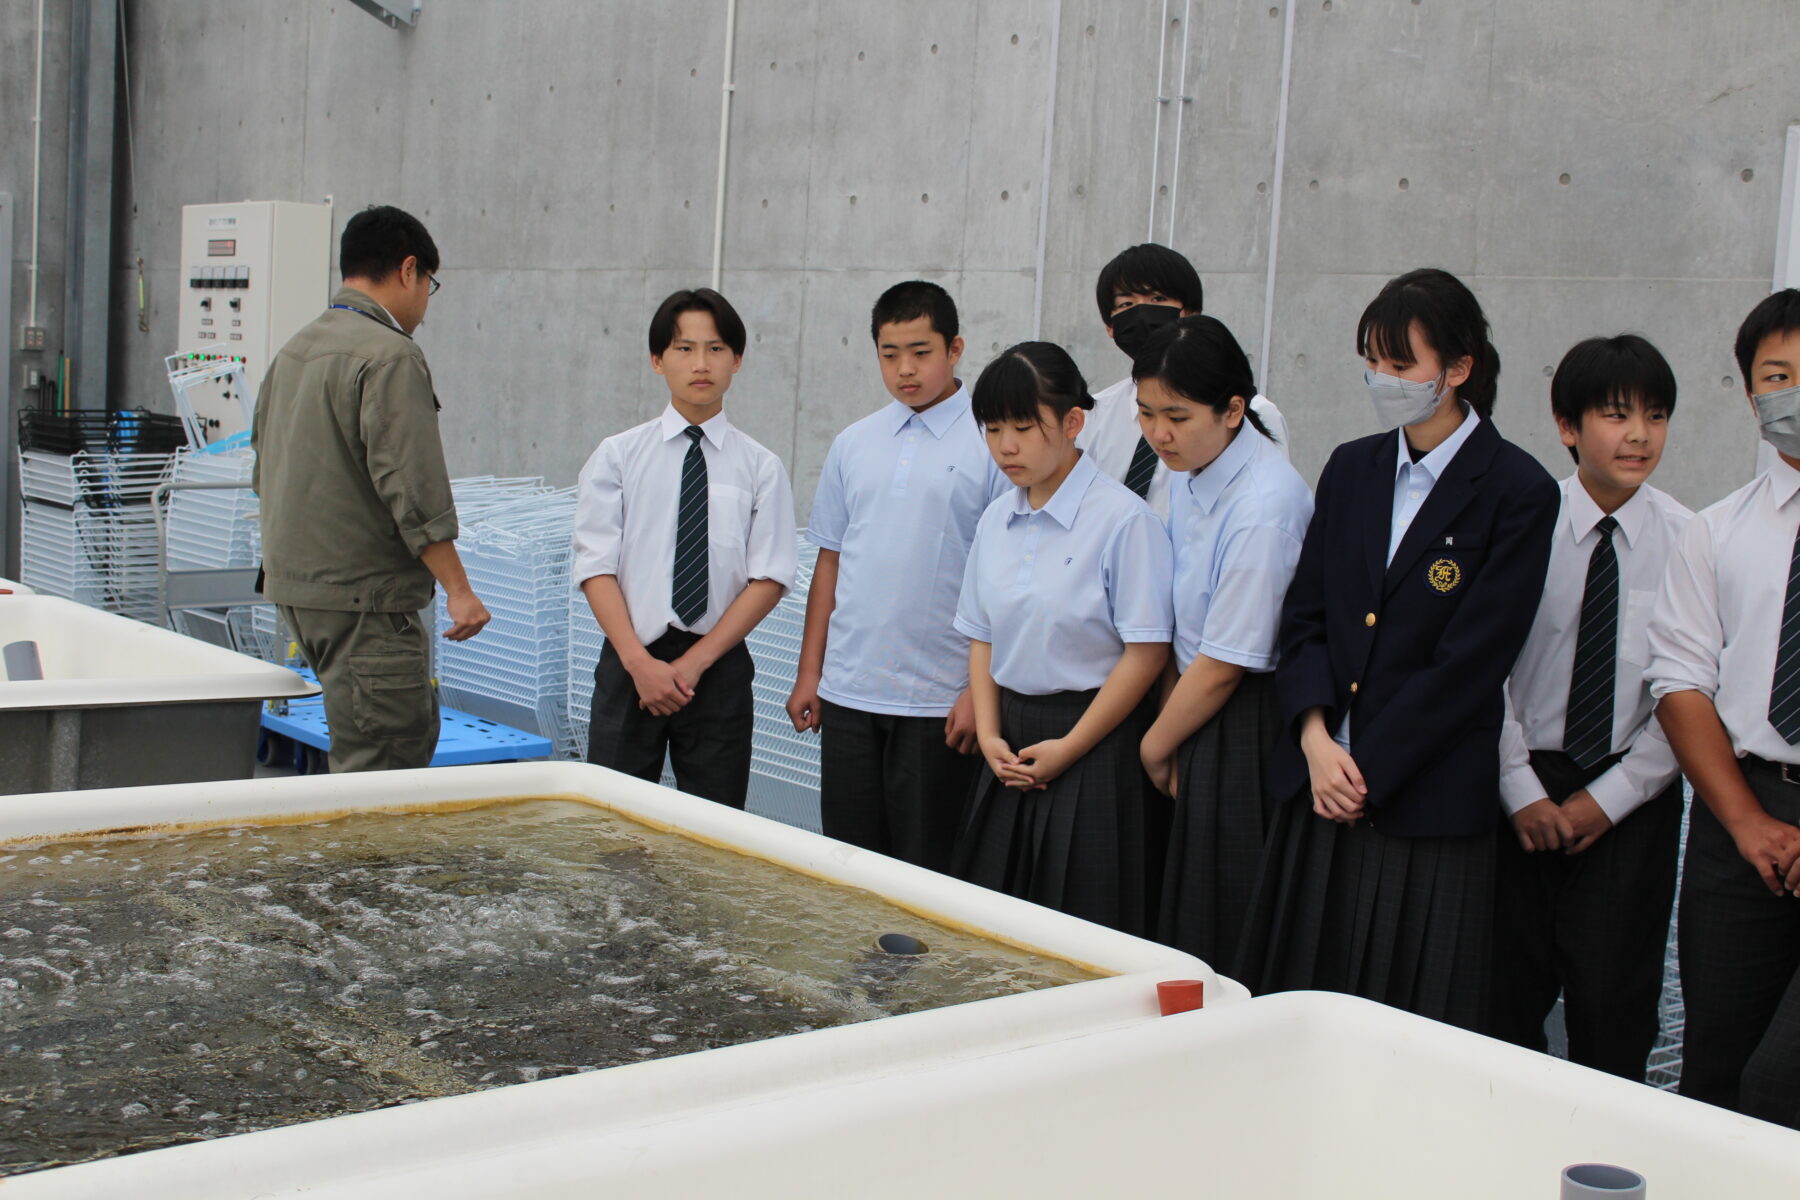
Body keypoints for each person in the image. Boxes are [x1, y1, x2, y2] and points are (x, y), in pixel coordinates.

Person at [1237, 267, 1559, 1031]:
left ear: (1457, 370)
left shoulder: (1517, 490)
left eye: (1401, 364)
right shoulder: (1354, 466)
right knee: (1297, 1002)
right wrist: (1316, 740)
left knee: (1402, 1017)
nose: (1383, 380)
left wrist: (1366, 771)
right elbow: (1305, 616)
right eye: (1372, 362)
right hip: (1320, 787)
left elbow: (1474, 662)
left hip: (1423, 805)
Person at [1489, 335, 1689, 1080]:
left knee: (1615, 1008)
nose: (1639, 434)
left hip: (1630, 795)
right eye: (1615, 415)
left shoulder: (1686, 540)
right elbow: (1487, 670)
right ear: (1567, 425)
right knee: (1503, 1001)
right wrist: (1520, 791)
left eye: (1656, 415)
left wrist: (1606, 802)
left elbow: (1686, 692)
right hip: (1518, 785)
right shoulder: (1520, 523)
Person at [253, 204, 490, 772]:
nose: (427, 305)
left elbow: (263, 469)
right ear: (409, 270)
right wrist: (458, 588)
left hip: (301, 591)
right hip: (366, 600)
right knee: (385, 764)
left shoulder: (296, 350)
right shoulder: (389, 355)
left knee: (362, 746)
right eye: (430, 284)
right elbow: (413, 488)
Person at [952, 342, 1174, 936]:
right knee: (989, 932)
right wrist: (992, 732)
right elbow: (981, 635)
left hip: (1096, 744)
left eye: (1024, 427)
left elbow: (1147, 652)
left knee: (1085, 929)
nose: (1006, 446)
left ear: (1073, 422)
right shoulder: (996, 518)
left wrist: (1071, 746)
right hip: (1008, 744)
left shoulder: (1125, 521)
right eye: (993, 428)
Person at [786, 282, 1007, 871]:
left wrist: (978, 692)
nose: (905, 370)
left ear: (955, 347)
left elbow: (1008, 576)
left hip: (940, 700)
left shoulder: (994, 442)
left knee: (930, 870)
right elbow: (829, 561)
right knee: (849, 865)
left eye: (921, 351)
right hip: (849, 691)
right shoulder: (853, 443)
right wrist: (811, 673)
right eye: (889, 354)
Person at [1647, 288, 1800, 1128]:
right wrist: (1747, 823)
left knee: (1782, 1083)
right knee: (1717, 1066)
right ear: (1750, 395)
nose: (1793, 392)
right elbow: (1679, 680)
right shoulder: (1716, 530)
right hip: (1742, 818)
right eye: (1777, 376)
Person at [572, 287, 797, 809]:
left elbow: (769, 578)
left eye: (716, 349)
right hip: (631, 663)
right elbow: (595, 565)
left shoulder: (760, 466)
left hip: (716, 669)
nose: (701, 364)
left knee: (714, 832)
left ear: (737, 360)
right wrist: (637, 662)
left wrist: (695, 663)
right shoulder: (618, 456)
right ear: (657, 360)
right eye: (683, 348)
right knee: (612, 826)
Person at [1133, 316, 1313, 969]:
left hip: (1243, 719)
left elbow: (1230, 658)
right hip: (1190, 700)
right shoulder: (1188, 468)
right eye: (1147, 413)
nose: (1159, 433)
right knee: (1184, 908)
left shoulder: (1266, 502)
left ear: (1234, 410)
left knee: (1224, 916)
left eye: (1176, 416)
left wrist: (1156, 744)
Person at [1079, 243, 1289, 518]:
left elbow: (1266, 507)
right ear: (1110, 326)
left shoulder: (1251, 412)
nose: (1142, 316)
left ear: (1192, 313)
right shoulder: (1095, 414)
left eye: (1157, 300)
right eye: (1126, 304)